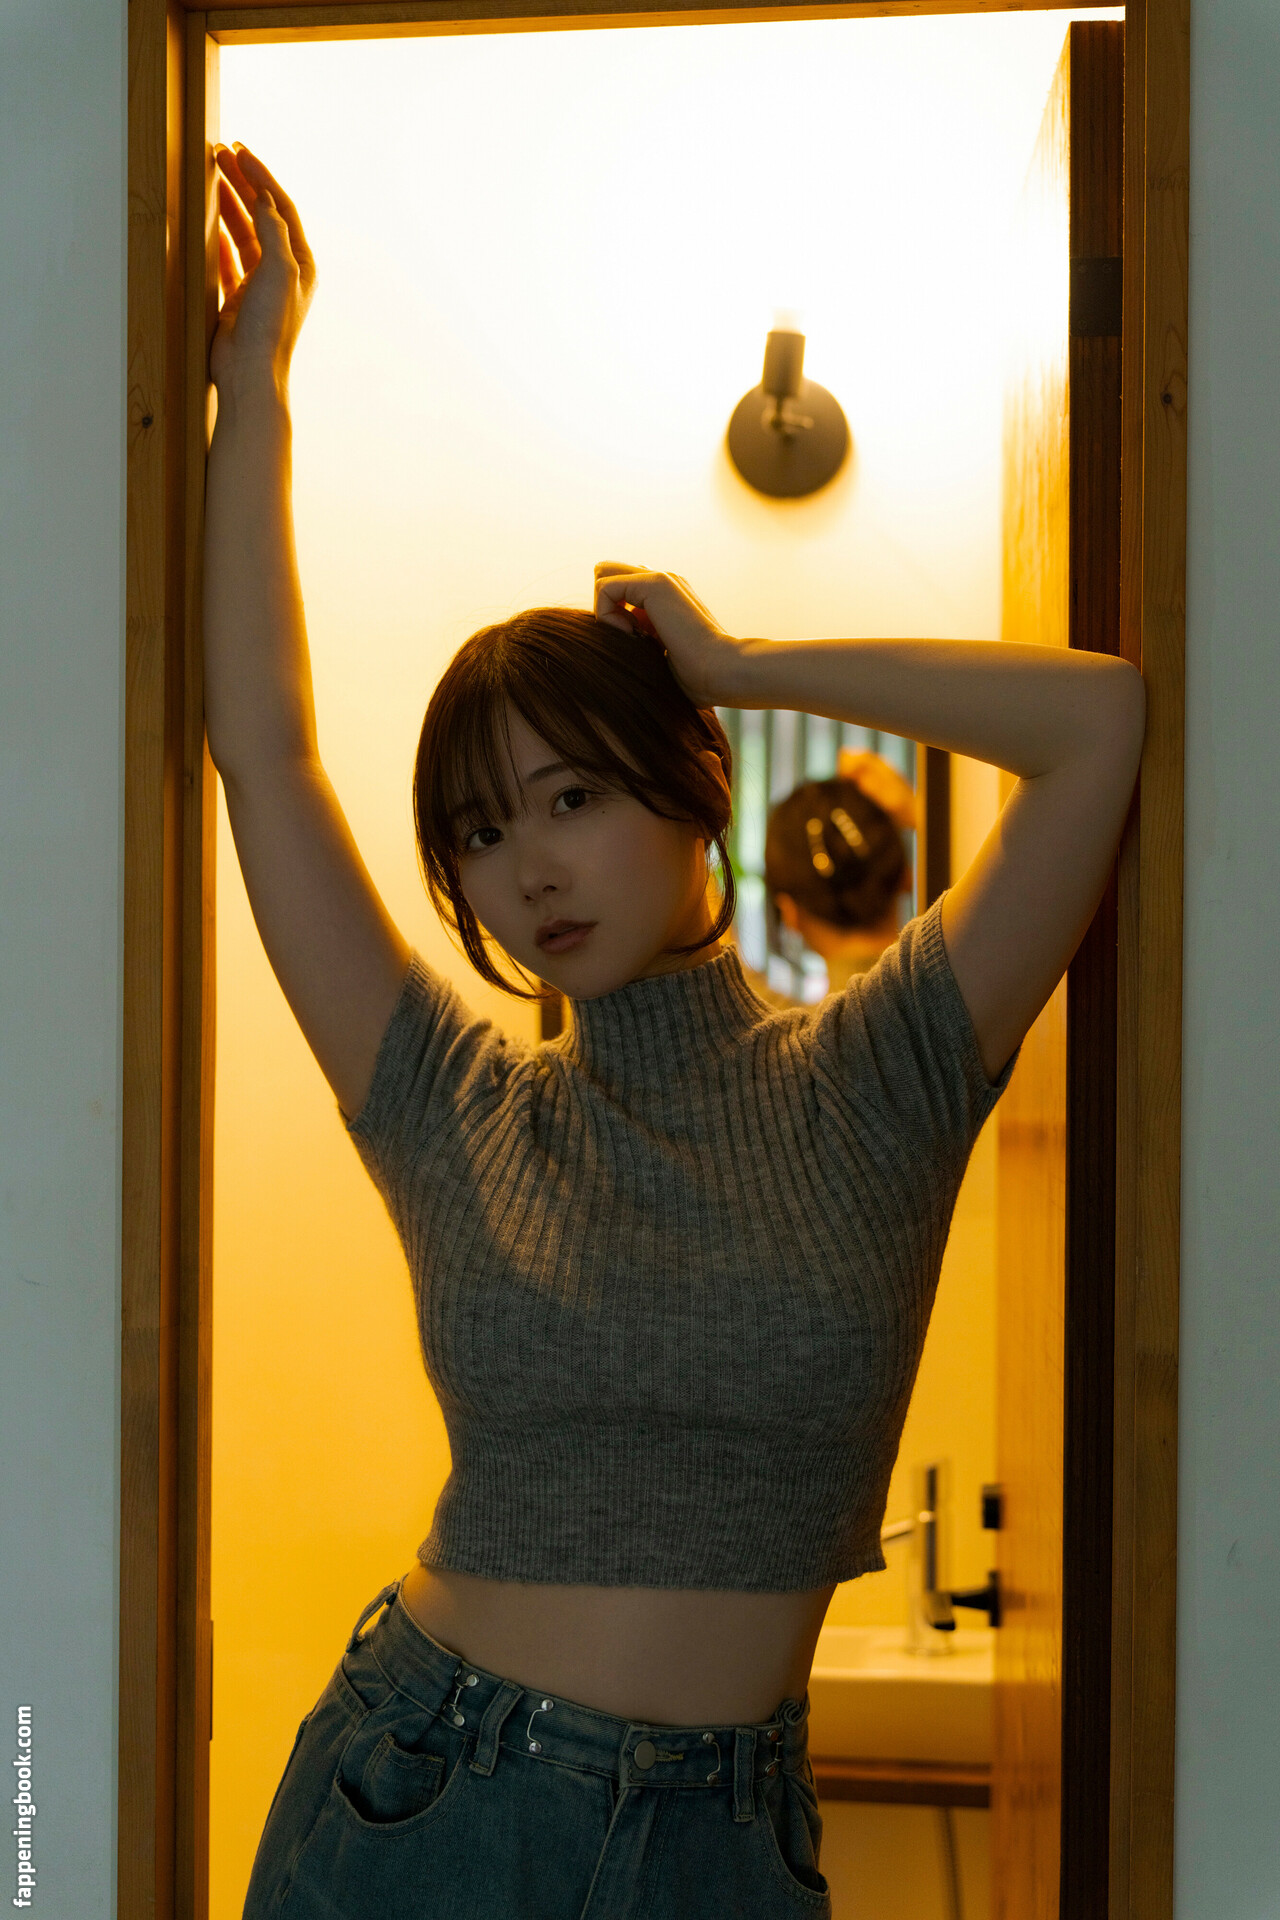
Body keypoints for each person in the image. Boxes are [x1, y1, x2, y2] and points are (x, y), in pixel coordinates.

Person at [207, 143, 1145, 1920]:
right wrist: (257, 394)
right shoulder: (454, 1102)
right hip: (430, 1799)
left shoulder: (883, 1074)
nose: (528, 868)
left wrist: (742, 667)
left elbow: (1098, 727)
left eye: (571, 795)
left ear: (691, 787)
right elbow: (264, 751)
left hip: (729, 1842)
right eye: (479, 833)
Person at [748, 749, 917, 1006]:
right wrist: (918, 811)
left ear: (789, 913)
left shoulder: (785, 1029)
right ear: (906, 877)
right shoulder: (968, 997)